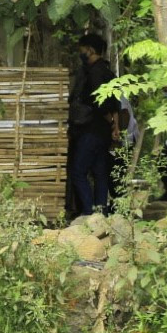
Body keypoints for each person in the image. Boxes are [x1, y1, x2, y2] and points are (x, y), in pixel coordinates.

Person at [66, 33, 119, 216]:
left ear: (90, 50)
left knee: (78, 172)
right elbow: (116, 105)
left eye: (82, 49)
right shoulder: (108, 71)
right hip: (102, 132)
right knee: (100, 173)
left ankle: (89, 211)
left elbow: (101, 104)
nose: (80, 52)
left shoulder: (93, 73)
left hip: (90, 130)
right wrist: (115, 126)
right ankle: (101, 211)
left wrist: (110, 122)